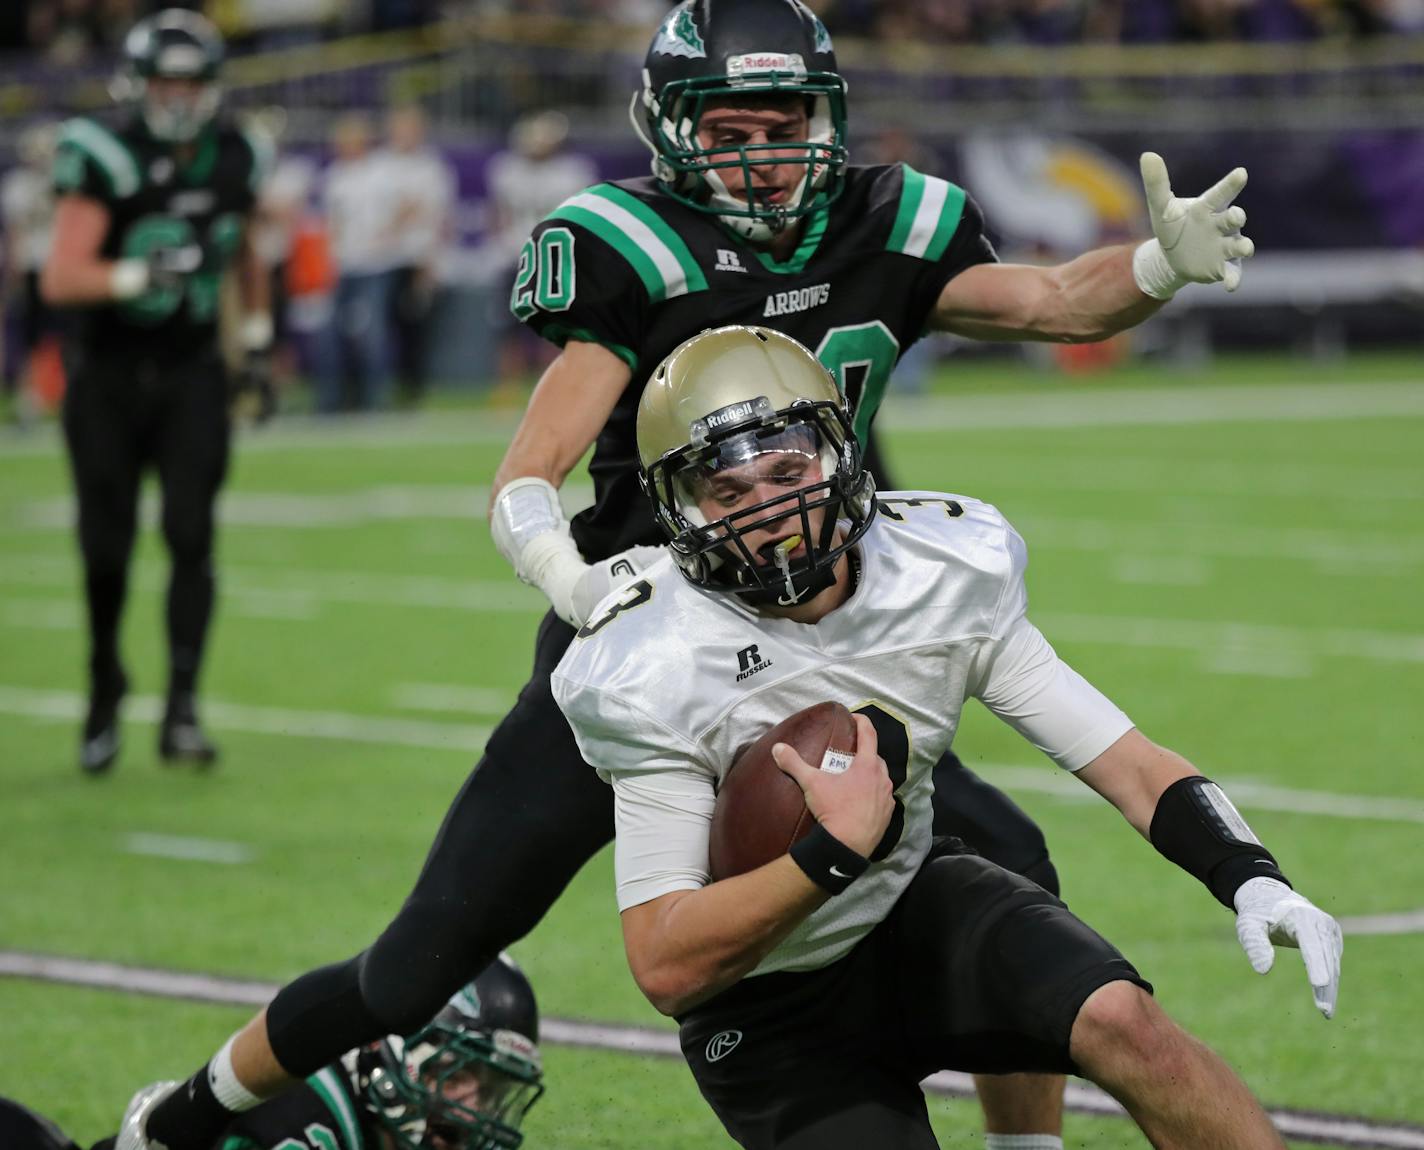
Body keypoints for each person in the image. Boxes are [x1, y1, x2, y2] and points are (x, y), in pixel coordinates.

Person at [116, 2, 1257, 1146]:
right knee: (408, 973)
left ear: (827, 115)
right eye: (730, 129)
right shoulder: (632, 243)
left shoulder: (886, 221)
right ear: (674, 132)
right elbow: (528, 476)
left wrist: (1157, 263)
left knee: (1008, 852)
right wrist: (575, 589)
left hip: (817, 639)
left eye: (783, 123)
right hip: (646, 652)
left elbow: (1056, 301)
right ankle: (179, 1118)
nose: (762, 155)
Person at [552, 324, 1343, 1149]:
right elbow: (667, 964)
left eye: (788, 473)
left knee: (1130, 1024)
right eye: (731, 494)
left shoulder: (941, 569)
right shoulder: (649, 659)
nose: (772, 512)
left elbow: (1130, 764)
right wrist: (830, 850)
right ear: (680, 510)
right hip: (770, 996)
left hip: (916, 899)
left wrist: (1252, 877)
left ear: (837, 457)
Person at [41, 8, 273, 775]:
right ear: (138, 83)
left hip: (190, 376)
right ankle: (105, 685)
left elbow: (247, 256)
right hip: (107, 377)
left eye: (190, 80)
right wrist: (139, 275)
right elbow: (62, 275)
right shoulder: (104, 152)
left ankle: (181, 707)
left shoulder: (236, 153)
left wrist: (257, 348)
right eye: (165, 79)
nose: (177, 95)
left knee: (190, 536)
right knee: (106, 550)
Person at [12, 957, 542, 1150]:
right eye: (458, 1075)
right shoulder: (303, 1125)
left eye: (491, 1090)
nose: (474, 1106)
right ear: (392, 1051)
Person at [376, 103, 455, 408]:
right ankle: (387, 387)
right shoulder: (379, 164)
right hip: (382, 258)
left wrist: (432, 260)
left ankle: (414, 388)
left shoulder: (431, 167)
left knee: (416, 327)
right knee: (385, 327)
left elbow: (435, 215)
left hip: (417, 257)